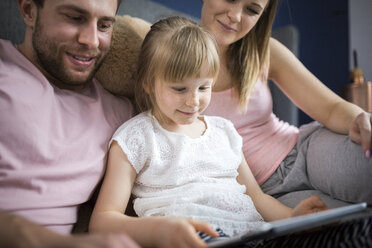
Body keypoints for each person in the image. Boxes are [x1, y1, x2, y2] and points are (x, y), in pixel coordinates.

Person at [89, 16, 331, 248]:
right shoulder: (135, 138)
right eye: (180, 89)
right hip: (193, 238)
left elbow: (257, 198)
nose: (194, 101)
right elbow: (102, 221)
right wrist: (158, 230)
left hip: (253, 235)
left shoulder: (224, 131)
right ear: (148, 83)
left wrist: (294, 218)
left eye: (204, 87)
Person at [200, 0, 372, 205]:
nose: (236, 16)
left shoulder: (262, 50)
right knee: (341, 224)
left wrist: (361, 120)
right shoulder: (164, 53)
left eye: (252, 10)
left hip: (305, 152)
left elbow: (331, 108)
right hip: (264, 194)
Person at [0, 0, 138, 247]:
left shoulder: (122, 115)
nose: (92, 41)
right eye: (75, 18)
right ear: (29, 11)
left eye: (104, 25)